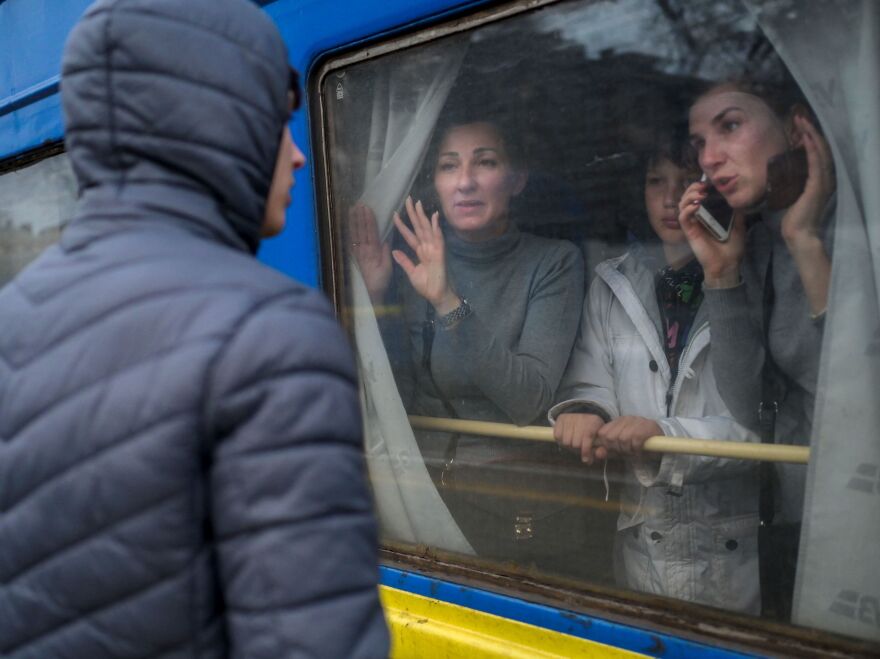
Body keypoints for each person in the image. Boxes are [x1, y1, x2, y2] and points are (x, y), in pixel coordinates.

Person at [0, 1, 388, 657]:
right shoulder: (272, 335)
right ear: (219, 127)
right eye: (276, 123)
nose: (296, 156)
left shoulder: (12, 319)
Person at [350, 118, 599, 576]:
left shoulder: (553, 261)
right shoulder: (414, 258)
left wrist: (447, 302)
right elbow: (396, 398)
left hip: (512, 506)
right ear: (435, 183)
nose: (465, 182)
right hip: (416, 487)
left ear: (517, 178)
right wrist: (379, 298)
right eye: (449, 166)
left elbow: (530, 398)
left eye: (485, 162)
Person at [550, 136, 761, 613]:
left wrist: (663, 434)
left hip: (733, 544)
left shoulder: (748, 276)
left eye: (687, 181)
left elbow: (760, 417)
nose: (670, 199)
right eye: (655, 182)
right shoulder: (611, 280)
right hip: (644, 539)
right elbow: (591, 376)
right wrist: (586, 408)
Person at [678, 78, 835, 619]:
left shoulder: (849, 228)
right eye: (699, 142)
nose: (711, 158)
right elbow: (750, 406)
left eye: (731, 126)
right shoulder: (756, 239)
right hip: (795, 520)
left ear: (796, 128)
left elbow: (860, 392)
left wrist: (808, 243)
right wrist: (721, 273)